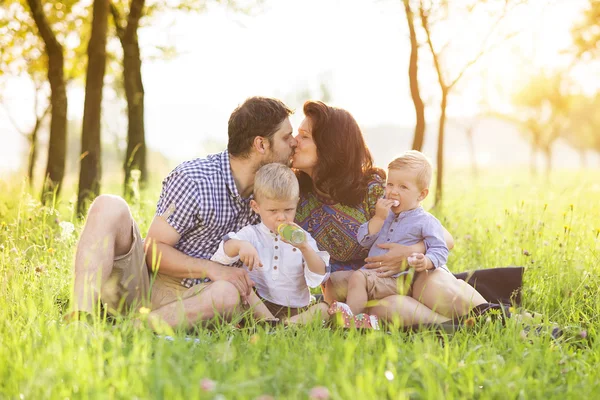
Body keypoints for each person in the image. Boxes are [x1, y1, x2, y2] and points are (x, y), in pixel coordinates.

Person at [67, 96, 297, 330]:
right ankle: (79, 321)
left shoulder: (272, 194)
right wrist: (211, 268)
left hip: (197, 300)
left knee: (227, 294)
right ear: (261, 144)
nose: (295, 142)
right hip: (145, 286)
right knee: (109, 205)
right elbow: (153, 250)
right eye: (287, 137)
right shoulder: (195, 179)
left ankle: (124, 332)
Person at [293, 100, 488, 327]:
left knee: (429, 287)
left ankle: (497, 318)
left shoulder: (372, 189)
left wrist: (408, 253)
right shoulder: (297, 199)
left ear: (330, 145)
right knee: (390, 307)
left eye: (304, 136)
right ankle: (461, 327)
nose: (295, 142)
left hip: (409, 274)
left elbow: (446, 238)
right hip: (361, 288)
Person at [329, 151, 450, 325]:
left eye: (403, 187)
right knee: (336, 279)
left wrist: (426, 261)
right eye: (390, 184)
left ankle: (354, 320)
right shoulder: (384, 215)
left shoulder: (426, 221)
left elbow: (440, 249)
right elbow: (363, 240)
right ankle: (344, 313)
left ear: (422, 195)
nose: (393, 191)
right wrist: (378, 218)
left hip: (399, 279)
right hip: (376, 275)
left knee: (358, 278)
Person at [210, 163, 331, 325]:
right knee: (240, 280)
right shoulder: (252, 234)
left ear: (296, 203)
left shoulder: (302, 238)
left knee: (325, 309)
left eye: (288, 210)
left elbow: (318, 277)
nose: (281, 217)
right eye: (273, 211)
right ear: (256, 207)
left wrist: (305, 248)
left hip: (294, 308)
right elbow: (221, 255)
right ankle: (271, 323)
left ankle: (282, 326)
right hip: (259, 305)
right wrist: (240, 246)